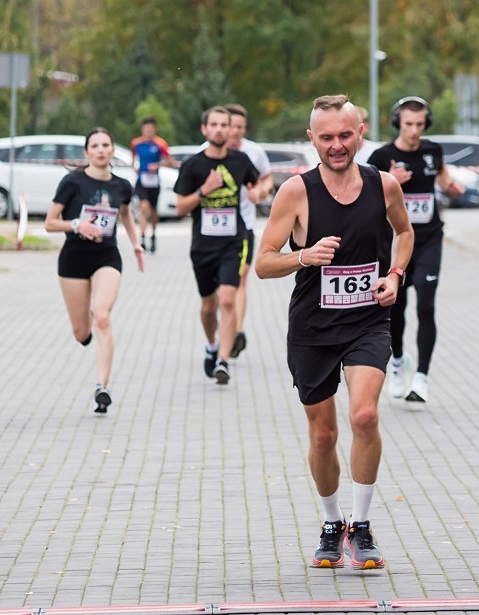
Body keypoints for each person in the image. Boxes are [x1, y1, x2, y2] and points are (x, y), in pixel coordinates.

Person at [256, 95, 413, 570]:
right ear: (312, 139)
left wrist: (395, 275)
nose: (337, 145)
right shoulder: (295, 192)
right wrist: (304, 256)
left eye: (345, 135)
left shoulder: (384, 185)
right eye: (326, 137)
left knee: (364, 415)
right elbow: (263, 263)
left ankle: (361, 525)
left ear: (360, 133)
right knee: (323, 435)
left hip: (367, 321)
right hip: (313, 328)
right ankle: (332, 523)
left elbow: (404, 233)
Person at [367, 96, 463, 403]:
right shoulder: (382, 156)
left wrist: (452, 187)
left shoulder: (433, 151)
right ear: (398, 122)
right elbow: (366, 198)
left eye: (420, 124)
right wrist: (389, 181)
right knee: (395, 308)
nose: (414, 131)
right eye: (408, 124)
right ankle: (398, 363)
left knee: (425, 306)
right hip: (395, 243)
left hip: (429, 239)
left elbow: (443, 178)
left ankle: (421, 377)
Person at [44, 127, 146, 414]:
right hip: (74, 259)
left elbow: (125, 214)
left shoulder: (122, 185)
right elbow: (50, 223)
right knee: (81, 332)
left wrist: (136, 243)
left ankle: (102, 387)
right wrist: (77, 225)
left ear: (112, 150)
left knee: (102, 316)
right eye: (95, 146)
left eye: (106, 145)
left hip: (106, 256)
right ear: (86, 152)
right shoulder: (72, 182)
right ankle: (85, 334)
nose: (101, 150)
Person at [173, 105, 260, 386]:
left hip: (233, 243)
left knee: (228, 299)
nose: (220, 130)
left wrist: (258, 192)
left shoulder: (241, 160)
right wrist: (204, 190)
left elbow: (258, 183)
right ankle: (211, 345)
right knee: (209, 306)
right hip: (203, 247)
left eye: (225, 125)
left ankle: (223, 360)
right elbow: (180, 208)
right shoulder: (193, 165)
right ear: (204, 129)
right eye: (215, 125)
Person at [223, 103, 273, 359]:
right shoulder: (206, 152)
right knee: (219, 289)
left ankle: (236, 333)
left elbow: (267, 178)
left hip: (244, 227)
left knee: (240, 279)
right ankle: (225, 329)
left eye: (241, 127)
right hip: (212, 232)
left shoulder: (253, 152)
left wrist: (261, 192)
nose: (236, 132)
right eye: (232, 126)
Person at [129, 117, 175, 254]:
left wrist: (157, 165)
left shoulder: (160, 143)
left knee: (153, 211)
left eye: (150, 130)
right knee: (144, 208)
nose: (148, 132)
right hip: (141, 180)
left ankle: (153, 235)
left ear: (154, 130)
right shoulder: (136, 143)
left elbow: (170, 161)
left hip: (154, 182)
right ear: (142, 130)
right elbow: (133, 158)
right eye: (146, 130)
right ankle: (142, 238)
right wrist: (134, 166)